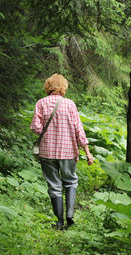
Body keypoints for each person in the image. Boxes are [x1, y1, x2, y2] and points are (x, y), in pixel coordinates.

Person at [30, 73, 94, 230]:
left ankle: (59, 222)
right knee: (71, 181)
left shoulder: (41, 103)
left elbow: (36, 128)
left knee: (54, 185)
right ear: (63, 87)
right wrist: (87, 151)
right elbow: (79, 129)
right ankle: (70, 216)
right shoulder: (70, 104)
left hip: (47, 152)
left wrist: (47, 129)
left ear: (48, 86)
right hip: (67, 152)